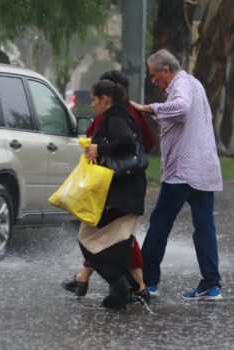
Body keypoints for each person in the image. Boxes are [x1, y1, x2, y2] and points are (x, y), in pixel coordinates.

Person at [130, 49, 224, 301]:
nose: (153, 81)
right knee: (204, 227)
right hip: (203, 169)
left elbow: (181, 109)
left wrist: (147, 108)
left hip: (183, 171)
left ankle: (148, 281)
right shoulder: (194, 84)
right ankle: (211, 284)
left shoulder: (181, 85)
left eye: (154, 75)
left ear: (166, 71)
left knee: (160, 223)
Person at [62, 70, 154, 303]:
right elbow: (146, 142)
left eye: (93, 100)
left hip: (119, 191)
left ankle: (127, 287)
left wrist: (99, 149)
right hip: (124, 189)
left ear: (106, 97)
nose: (91, 105)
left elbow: (126, 141)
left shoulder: (114, 117)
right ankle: (129, 289)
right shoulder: (127, 113)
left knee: (101, 241)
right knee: (115, 242)